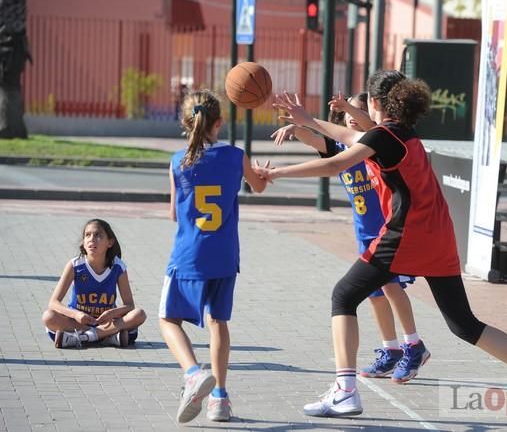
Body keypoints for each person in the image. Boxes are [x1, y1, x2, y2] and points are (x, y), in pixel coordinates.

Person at [257, 71, 507, 425]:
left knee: (343, 296)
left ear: (375, 104)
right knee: (464, 325)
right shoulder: (401, 133)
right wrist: (308, 120)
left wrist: (276, 174)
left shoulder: (384, 135)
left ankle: (345, 391)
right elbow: (348, 134)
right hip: (438, 234)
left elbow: (336, 163)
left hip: (408, 234)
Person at [271, 93, 430, 383]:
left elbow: (371, 129)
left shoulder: (375, 144)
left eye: (358, 113)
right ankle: (391, 349)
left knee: (393, 289)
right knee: (375, 295)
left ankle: (414, 344)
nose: (352, 119)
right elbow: (317, 142)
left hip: (387, 229)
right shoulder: (341, 148)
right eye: (347, 116)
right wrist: (297, 128)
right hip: (364, 232)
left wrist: (345, 109)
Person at [159, 89, 267, 424]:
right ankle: (219, 397)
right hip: (224, 255)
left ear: (185, 122)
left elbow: (175, 215)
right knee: (218, 322)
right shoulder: (236, 156)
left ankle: (192, 374)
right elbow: (259, 187)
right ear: (219, 122)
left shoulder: (178, 161)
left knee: (168, 319)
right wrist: (260, 173)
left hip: (189, 254)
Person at [42, 219, 146, 349]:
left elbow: (130, 305)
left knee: (139, 314)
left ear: (110, 242)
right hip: (79, 322)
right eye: (88, 235)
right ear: (83, 243)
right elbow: (53, 302)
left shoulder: (118, 267)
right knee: (48, 317)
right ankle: (107, 338)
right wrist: (76, 314)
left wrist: (112, 313)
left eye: (98, 235)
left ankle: (82, 338)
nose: (92, 239)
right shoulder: (75, 265)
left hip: (106, 322)